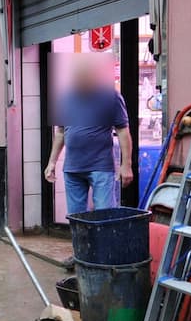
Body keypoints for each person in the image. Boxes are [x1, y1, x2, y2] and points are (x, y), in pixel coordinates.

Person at [44, 56, 134, 218]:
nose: (79, 81)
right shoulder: (65, 98)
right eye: (77, 77)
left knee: (105, 217)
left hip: (101, 167)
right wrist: (52, 162)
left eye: (84, 77)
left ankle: (104, 244)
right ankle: (80, 244)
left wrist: (126, 165)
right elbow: (60, 132)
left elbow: (123, 131)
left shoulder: (111, 96)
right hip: (72, 168)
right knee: (76, 217)